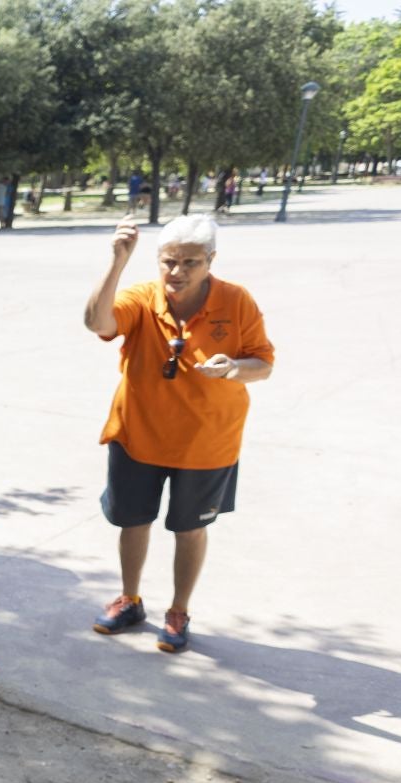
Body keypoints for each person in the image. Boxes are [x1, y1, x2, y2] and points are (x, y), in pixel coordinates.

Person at [83, 213, 274, 653]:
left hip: (207, 442)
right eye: (169, 261)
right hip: (138, 435)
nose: (177, 272)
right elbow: (98, 322)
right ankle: (129, 600)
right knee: (133, 521)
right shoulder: (142, 298)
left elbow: (263, 364)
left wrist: (233, 367)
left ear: (210, 261)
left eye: (190, 262)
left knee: (190, 529)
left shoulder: (236, 301)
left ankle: (178, 610)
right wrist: (117, 262)